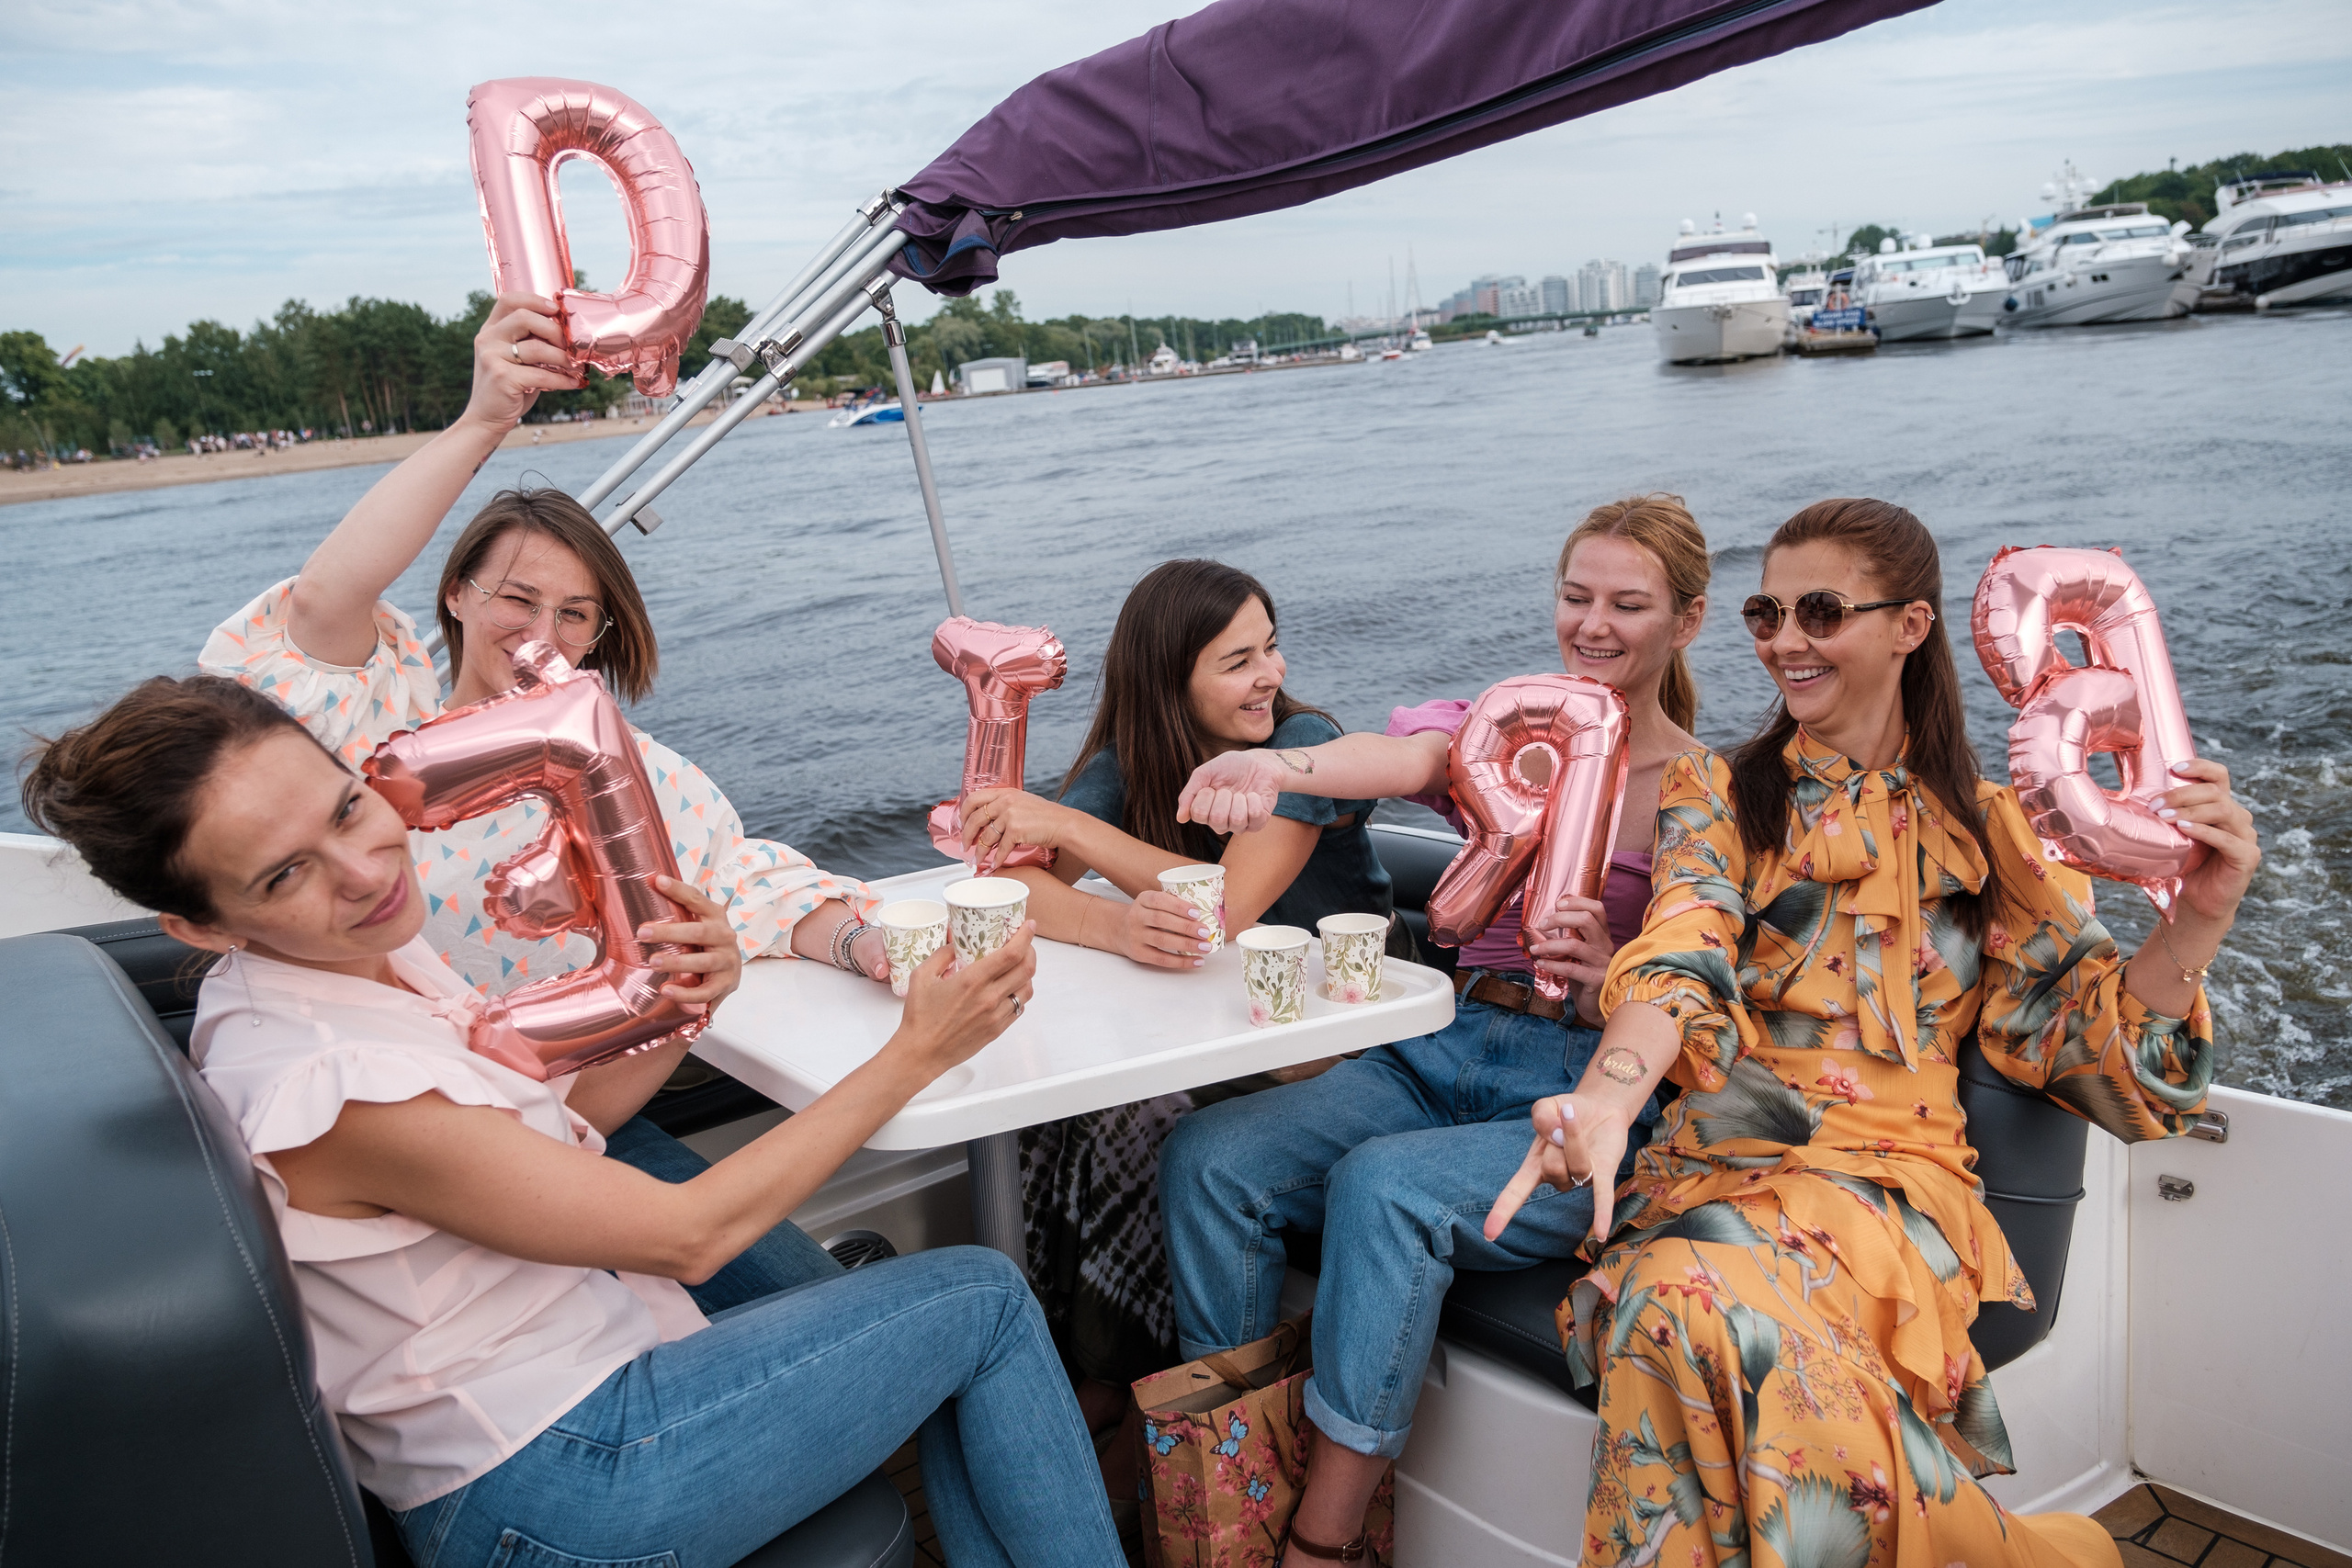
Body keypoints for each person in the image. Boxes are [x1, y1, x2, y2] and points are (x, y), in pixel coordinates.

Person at [20, 675, 1117, 1566]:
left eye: (348, 806)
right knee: (980, 1297)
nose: (363, 871)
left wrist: (692, 1001)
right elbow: (684, 1239)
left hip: (573, 1387)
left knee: (900, 1322)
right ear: (198, 926)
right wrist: (919, 1050)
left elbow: (552, 1126)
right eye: (286, 872)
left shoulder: (354, 955)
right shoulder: (331, 1078)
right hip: (552, 1490)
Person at [1486, 499, 2254, 1568]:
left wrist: (2201, 917)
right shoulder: (1717, 793)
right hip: (1723, 1169)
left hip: (1891, 1190)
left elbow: (2116, 1065)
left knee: (1673, 1302)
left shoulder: (1994, 829)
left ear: (1910, 626)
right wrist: (1612, 1095)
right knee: (1677, 1302)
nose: (1784, 642)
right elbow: (1682, 945)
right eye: (1766, 613)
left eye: (1819, 611)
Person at [198, 292, 887, 1263]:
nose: (542, 634)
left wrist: (873, 949)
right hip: (410, 1140)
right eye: (517, 599)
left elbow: (749, 884)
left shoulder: (640, 775)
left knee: (808, 1290)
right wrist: (485, 420)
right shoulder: (371, 746)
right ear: (456, 595)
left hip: (585, 1119)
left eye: (575, 615)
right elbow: (321, 604)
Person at [1161, 495, 1712, 1565]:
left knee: (1384, 1187)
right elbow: (1399, 760)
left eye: (1627, 604)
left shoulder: (1709, 790)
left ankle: (1322, 1543)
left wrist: (1616, 977)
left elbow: (1705, 993)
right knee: (1208, 1157)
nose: (1592, 625)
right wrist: (1282, 768)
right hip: (1445, 1046)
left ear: (1684, 623)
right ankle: (1234, 1491)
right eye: (1575, 596)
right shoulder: (1510, 732)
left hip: (1585, 1084)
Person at [950, 558, 1402, 1438]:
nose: (1268, 673)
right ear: (1170, 680)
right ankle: (1052, 1360)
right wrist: (1111, 927)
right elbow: (1016, 888)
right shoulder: (1133, 760)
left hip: (1335, 1041)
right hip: (1223, 1031)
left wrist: (1074, 828)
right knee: (1052, 1109)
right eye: (1237, 661)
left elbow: (1227, 907)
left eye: (1270, 647)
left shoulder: (1298, 749)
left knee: (1134, 1119)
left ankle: (1119, 1394)